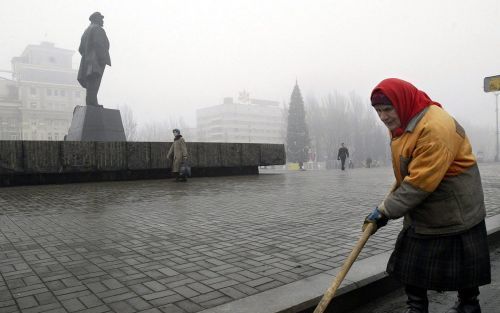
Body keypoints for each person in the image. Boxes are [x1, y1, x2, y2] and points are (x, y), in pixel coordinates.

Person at [363, 78, 490, 313]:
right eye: (378, 111)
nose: (383, 117)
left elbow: (419, 184)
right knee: (410, 263)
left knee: (464, 261)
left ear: (401, 102)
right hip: (426, 203)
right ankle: (417, 308)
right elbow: (415, 169)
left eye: (387, 109)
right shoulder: (407, 120)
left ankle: (468, 306)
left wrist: (384, 211)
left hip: (455, 204)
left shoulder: (434, 127)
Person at [77, 12, 111, 106]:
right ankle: (92, 104)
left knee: (91, 85)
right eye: (101, 18)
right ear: (96, 19)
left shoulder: (86, 31)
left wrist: (87, 55)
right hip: (96, 62)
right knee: (94, 84)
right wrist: (102, 59)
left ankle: (92, 103)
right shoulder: (97, 29)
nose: (102, 21)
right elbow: (98, 44)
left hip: (88, 62)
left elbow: (80, 49)